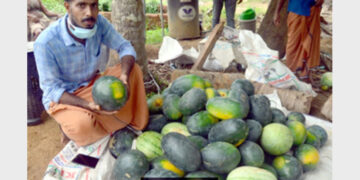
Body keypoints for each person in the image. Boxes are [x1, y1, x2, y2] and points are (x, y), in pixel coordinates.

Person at [33, 0, 149, 147]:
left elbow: (124, 47)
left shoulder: (99, 23)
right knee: (81, 125)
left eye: (94, 5)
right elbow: (52, 90)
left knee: (134, 70)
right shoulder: (46, 42)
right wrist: (88, 105)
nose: (89, 13)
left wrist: (124, 77)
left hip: (93, 86)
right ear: (67, 7)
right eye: (82, 5)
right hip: (65, 97)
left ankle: (114, 123)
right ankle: (71, 127)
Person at [273, 0, 324, 81]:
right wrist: (276, 12)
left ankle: (305, 74)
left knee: (309, 42)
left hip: (313, 10)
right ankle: (292, 72)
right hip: (297, 10)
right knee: (293, 44)